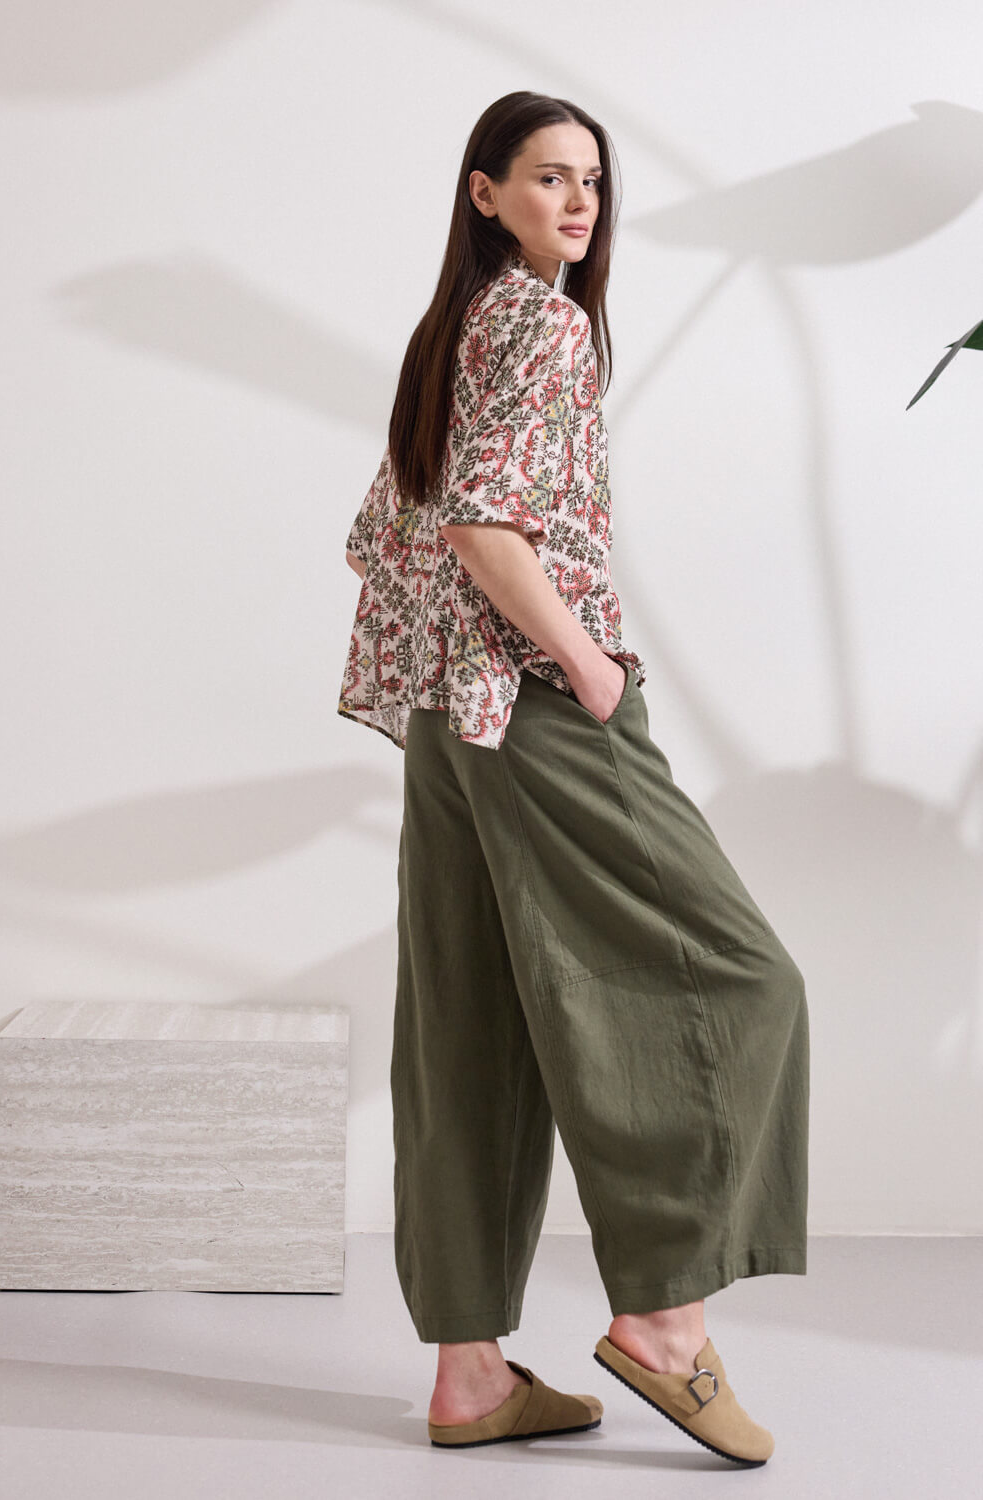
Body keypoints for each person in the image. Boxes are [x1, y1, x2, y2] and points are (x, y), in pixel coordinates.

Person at [338, 91, 809, 1466]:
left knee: (470, 1026)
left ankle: (470, 1378)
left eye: (592, 180)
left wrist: (456, 675)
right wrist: (589, 670)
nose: (580, 201)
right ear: (484, 192)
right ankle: (664, 1319)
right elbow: (478, 525)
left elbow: (386, 533)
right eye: (548, 178)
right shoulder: (540, 325)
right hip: (539, 702)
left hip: (452, 713)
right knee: (745, 977)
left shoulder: (456, 327)